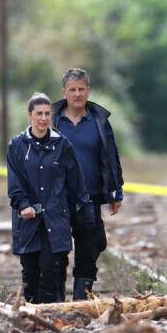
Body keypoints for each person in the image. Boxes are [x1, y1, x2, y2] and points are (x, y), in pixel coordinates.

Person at [7, 92, 94, 303]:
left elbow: (76, 185)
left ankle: (50, 317)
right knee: (29, 272)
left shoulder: (62, 145)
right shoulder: (17, 146)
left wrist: (86, 216)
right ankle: (31, 314)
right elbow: (14, 182)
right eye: (39, 114)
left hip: (56, 218)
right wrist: (23, 204)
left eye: (47, 113)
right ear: (29, 115)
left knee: (51, 269)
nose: (43, 118)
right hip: (28, 220)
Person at [52, 69, 125, 300]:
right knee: (57, 252)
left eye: (81, 89)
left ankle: (81, 300)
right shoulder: (52, 120)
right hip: (58, 198)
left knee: (89, 248)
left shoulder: (99, 121)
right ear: (64, 92)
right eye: (72, 89)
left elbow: (111, 156)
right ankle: (56, 300)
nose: (77, 94)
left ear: (88, 91)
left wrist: (115, 191)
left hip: (90, 196)